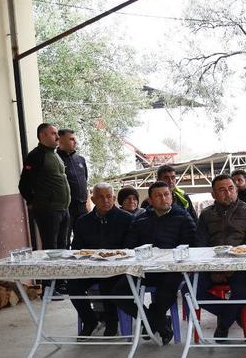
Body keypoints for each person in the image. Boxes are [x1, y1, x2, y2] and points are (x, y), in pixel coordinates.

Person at [114, 181, 196, 344]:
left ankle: (152, 321)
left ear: (172, 197)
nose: (163, 198)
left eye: (166, 195)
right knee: (119, 292)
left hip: (171, 269)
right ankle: (156, 321)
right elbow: (129, 245)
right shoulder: (141, 219)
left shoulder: (183, 217)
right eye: (158, 196)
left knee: (166, 293)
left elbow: (192, 244)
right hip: (144, 269)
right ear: (150, 200)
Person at [195, 174, 246, 341]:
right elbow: (201, 244)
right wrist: (215, 266)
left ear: (236, 190)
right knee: (190, 290)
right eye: (222, 190)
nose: (227, 193)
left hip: (240, 264)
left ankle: (223, 324)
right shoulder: (206, 214)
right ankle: (229, 313)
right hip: (211, 265)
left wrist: (232, 263)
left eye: (231, 189)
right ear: (213, 194)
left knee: (243, 289)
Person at [68, 182, 135, 337]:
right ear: (93, 199)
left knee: (107, 283)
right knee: (73, 286)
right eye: (101, 197)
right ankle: (90, 320)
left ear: (114, 198)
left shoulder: (127, 219)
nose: (106, 200)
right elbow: (76, 247)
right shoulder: (83, 221)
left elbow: (130, 247)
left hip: (117, 269)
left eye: (109, 196)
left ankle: (112, 321)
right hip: (90, 267)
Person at [18, 122, 70, 250]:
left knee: (64, 246)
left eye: (57, 133)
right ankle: (52, 271)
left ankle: (63, 270)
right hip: (48, 210)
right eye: (53, 134)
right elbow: (24, 183)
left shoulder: (55, 154)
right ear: (43, 136)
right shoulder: (36, 156)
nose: (58, 137)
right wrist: (31, 201)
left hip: (63, 208)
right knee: (51, 248)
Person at [56, 128, 89, 245]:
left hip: (82, 207)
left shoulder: (80, 160)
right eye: (71, 139)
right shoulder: (56, 160)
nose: (75, 141)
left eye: (75, 139)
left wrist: (87, 203)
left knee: (85, 238)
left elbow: (85, 180)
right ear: (60, 140)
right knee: (64, 240)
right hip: (66, 208)